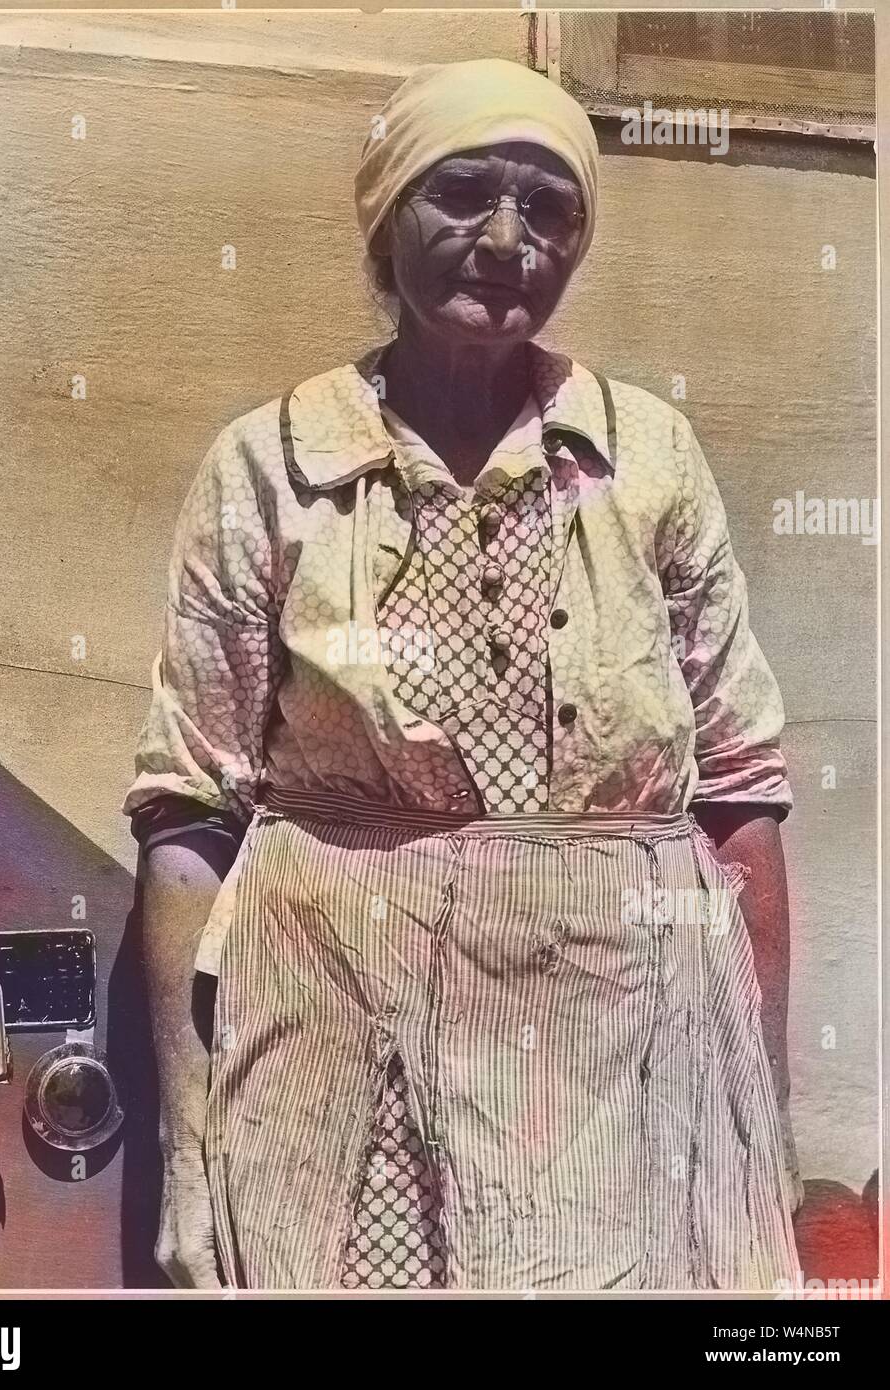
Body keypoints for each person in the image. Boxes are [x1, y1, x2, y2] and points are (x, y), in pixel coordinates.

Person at [124, 57, 802, 1290]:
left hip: (619, 1056)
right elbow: (184, 811)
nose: (505, 239)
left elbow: (743, 799)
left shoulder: (645, 458)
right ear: (389, 218)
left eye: (547, 208)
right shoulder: (269, 467)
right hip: (339, 1040)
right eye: (464, 194)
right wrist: (185, 1143)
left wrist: (765, 1127)